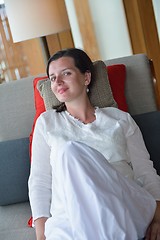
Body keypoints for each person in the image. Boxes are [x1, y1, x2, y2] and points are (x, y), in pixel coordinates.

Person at [28, 48, 160, 240]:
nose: (57, 82)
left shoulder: (120, 119)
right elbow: (39, 181)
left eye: (66, 73)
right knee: (69, 153)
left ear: (86, 77)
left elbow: (145, 171)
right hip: (70, 216)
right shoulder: (47, 123)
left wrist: (157, 218)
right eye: (52, 77)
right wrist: (41, 235)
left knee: (70, 151)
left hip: (125, 207)